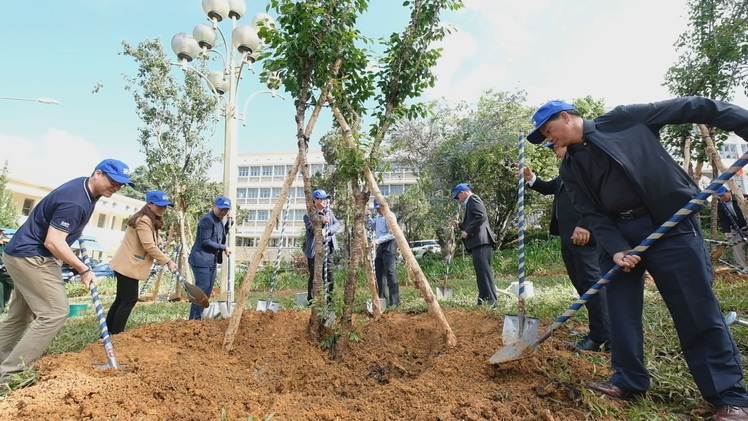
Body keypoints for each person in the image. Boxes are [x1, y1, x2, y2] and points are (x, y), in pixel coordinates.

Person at [528, 97, 748, 420]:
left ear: (566, 117)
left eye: (548, 131)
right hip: (619, 235)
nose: (549, 139)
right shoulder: (569, 168)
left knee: (694, 308)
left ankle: (731, 396)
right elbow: (591, 212)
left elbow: (695, 106)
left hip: (667, 223)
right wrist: (616, 247)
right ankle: (628, 379)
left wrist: (743, 124)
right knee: (619, 311)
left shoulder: (624, 119)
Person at [0, 159, 133, 382]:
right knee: (54, 313)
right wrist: (83, 268)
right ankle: (12, 374)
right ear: (97, 173)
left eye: (121, 184)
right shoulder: (77, 201)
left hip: (19, 253)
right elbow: (54, 242)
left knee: (20, 317)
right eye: (113, 181)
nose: (116, 187)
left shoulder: (83, 189)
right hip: (34, 257)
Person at [523, 144, 610, 352]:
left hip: (583, 236)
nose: (553, 148)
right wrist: (530, 177)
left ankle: (603, 336)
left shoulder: (585, 167)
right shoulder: (567, 169)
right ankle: (598, 329)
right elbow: (549, 188)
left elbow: (598, 199)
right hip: (569, 237)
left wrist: (585, 224)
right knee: (583, 286)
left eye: (556, 144)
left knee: (592, 285)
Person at [106, 190, 178, 334]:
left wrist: (158, 239)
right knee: (129, 301)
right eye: (159, 206)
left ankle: (107, 333)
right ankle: (116, 335)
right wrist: (168, 261)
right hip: (128, 266)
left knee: (121, 300)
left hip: (125, 265)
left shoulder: (147, 219)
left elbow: (149, 240)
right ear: (149, 204)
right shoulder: (144, 220)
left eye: (165, 206)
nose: (163, 209)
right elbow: (149, 246)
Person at [453, 183, 498, 307]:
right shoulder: (471, 202)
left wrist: (467, 231)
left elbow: (481, 216)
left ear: (463, 192)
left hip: (481, 242)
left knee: (484, 272)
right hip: (479, 243)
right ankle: (483, 299)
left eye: (458, 197)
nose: (459, 200)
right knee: (481, 272)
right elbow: (473, 219)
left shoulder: (473, 199)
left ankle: (491, 301)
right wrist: (460, 224)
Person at [188, 196, 232, 320]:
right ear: (214, 207)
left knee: (207, 291)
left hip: (211, 261)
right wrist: (224, 247)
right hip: (201, 260)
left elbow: (220, 236)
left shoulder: (219, 220)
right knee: (201, 291)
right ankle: (193, 320)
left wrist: (229, 222)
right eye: (221, 209)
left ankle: (199, 317)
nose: (223, 212)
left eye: (226, 210)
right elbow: (205, 242)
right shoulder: (207, 220)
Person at [303, 189, 340, 305]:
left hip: (327, 248)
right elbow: (311, 228)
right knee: (315, 276)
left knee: (329, 276)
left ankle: (329, 301)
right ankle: (312, 300)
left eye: (325, 199)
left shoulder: (329, 212)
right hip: (314, 251)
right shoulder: (309, 214)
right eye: (321, 199)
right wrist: (321, 221)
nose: (324, 201)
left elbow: (337, 224)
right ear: (314, 200)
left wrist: (328, 231)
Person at [369, 199, 400, 307]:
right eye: (377, 209)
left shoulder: (390, 216)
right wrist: (367, 217)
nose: (379, 211)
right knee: (379, 270)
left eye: (380, 208)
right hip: (381, 245)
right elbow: (374, 227)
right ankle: (382, 298)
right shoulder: (378, 216)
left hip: (390, 244)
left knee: (390, 271)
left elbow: (392, 234)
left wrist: (376, 241)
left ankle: (395, 300)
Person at [716, 185, 748, 272]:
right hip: (737, 229)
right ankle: (743, 267)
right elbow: (723, 219)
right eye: (720, 196)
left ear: (729, 191)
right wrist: (726, 231)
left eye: (723, 195)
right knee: (735, 244)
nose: (723, 197)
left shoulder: (742, 197)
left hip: (746, 225)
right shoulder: (721, 205)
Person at [0, 230, 13, 313]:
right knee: (1, 291)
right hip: (3, 273)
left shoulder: (6, 244)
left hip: (8, 272)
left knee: (21, 289)